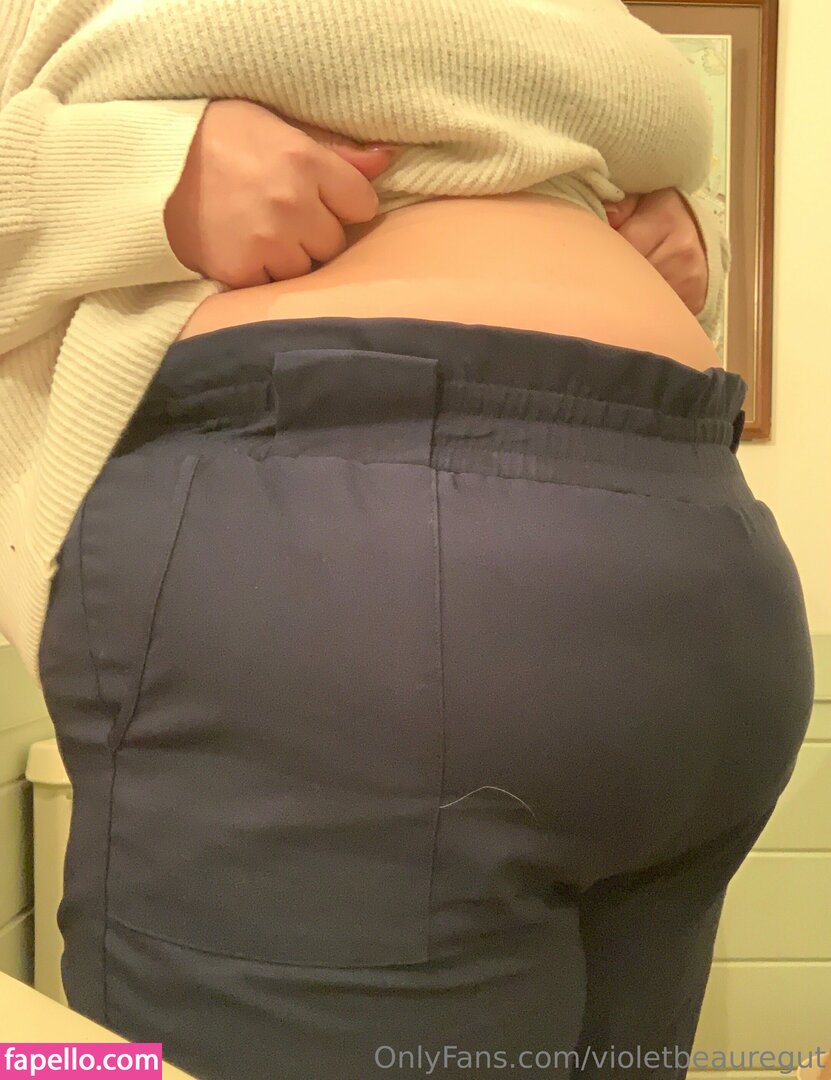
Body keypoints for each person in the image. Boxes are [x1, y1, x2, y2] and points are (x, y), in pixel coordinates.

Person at [0, 2, 815, 1078]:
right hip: (377, 561)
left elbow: (519, 137)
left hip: (625, 542)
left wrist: (685, 235)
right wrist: (134, 177)